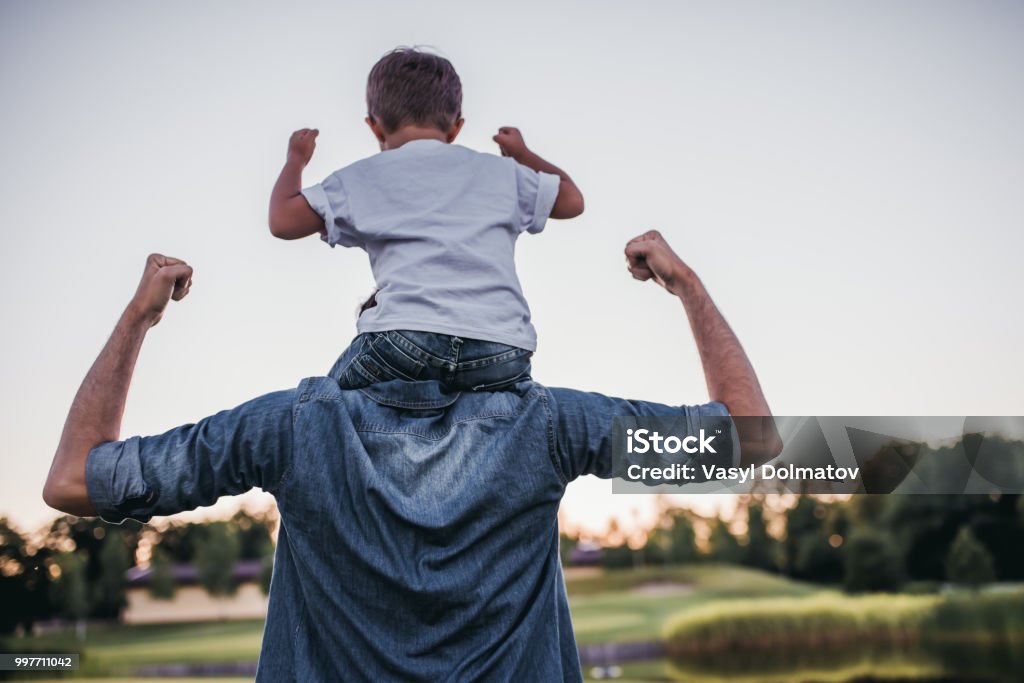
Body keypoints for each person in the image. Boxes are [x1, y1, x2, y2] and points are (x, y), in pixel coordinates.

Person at [43, 231, 780, 682]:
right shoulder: (546, 423)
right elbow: (752, 441)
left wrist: (140, 316)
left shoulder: (291, 427)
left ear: (368, 330)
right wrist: (686, 285)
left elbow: (74, 478)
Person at [267, 47, 585, 392]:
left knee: (324, 404)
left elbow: (282, 221)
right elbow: (572, 200)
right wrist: (522, 155)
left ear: (374, 126)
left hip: (405, 342)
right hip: (503, 350)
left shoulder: (364, 177)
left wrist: (295, 160)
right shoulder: (501, 173)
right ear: (456, 127)